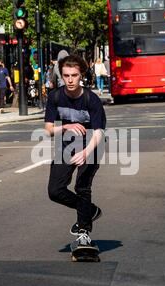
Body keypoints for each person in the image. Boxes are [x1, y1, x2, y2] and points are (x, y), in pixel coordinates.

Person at [44, 54, 106, 249]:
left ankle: (84, 232)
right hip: (66, 144)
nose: (70, 80)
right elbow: (48, 129)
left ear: (81, 76)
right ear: (61, 76)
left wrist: (86, 152)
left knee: (82, 186)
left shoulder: (91, 99)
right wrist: (65, 127)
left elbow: (99, 133)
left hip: (91, 145)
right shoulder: (55, 97)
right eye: (66, 75)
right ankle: (90, 210)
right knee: (55, 191)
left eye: (74, 75)